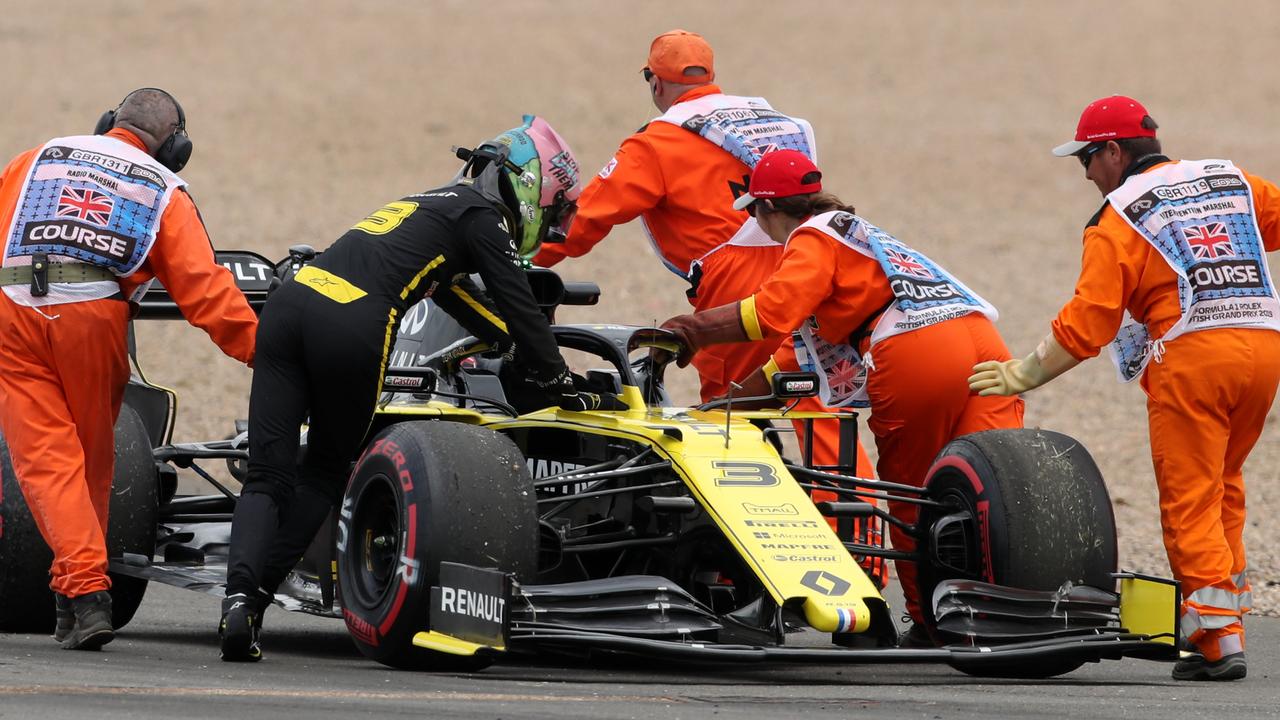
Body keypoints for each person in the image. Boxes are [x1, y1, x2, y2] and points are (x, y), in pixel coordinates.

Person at [220, 116, 623, 661]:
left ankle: (239, 603)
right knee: (323, 473)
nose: (554, 223)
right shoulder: (485, 218)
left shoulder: (438, 202)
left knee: (267, 476)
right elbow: (519, 306)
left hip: (290, 305)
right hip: (352, 322)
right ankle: (261, 592)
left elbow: (464, 304)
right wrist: (558, 382)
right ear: (529, 187)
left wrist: (529, 353)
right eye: (555, 209)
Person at [531, 29, 879, 575]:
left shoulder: (656, 142)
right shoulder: (777, 122)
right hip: (810, 261)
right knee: (816, 407)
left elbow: (581, 224)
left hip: (735, 282)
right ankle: (864, 559)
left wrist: (515, 266)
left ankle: (728, 565)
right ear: (709, 75)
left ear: (656, 81)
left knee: (727, 423)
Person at [968, 96, 1280, 681]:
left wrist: (1026, 372)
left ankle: (1218, 641)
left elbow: (1091, 319)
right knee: (1223, 484)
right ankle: (1216, 618)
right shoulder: (1229, 179)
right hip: (1264, 347)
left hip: (1192, 357)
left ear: (1115, 151)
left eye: (1088, 157)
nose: (1086, 172)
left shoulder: (1119, 217)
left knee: (1188, 496)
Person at [661, 150, 1024, 643]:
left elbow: (771, 313)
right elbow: (787, 364)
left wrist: (692, 329)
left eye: (752, 212)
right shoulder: (858, 237)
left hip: (915, 346)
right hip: (983, 341)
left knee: (914, 494)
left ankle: (927, 622)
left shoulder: (810, 238)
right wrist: (718, 411)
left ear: (768, 209)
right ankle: (1016, 613)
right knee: (996, 490)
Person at [0, 88, 258, 650]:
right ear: (177, 147)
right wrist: (265, 352)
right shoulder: (163, 189)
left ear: (108, 122)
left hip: (13, 314)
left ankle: (79, 594)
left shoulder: (39, 156)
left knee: (47, 463)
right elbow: (205, 291)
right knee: (90, 462)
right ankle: (82, 592)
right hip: (92, 319)